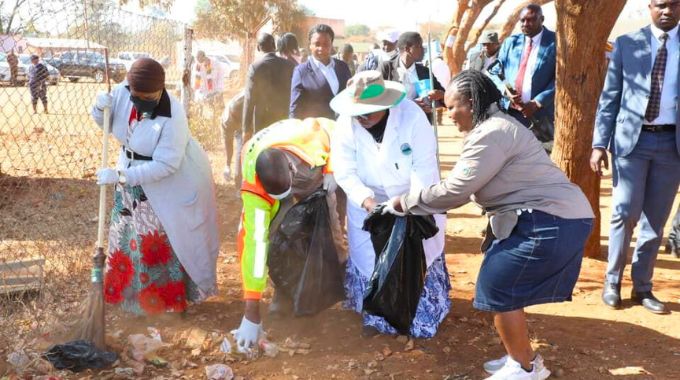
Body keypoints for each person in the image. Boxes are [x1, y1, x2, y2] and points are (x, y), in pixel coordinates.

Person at [384, 70, 594, 379]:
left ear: (471, 103)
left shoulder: (492, 133)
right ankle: (521, 359)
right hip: (549, 217)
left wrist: (405, 202)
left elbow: (456, 191)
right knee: (505, 287)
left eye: (453, 106)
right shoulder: (494, 127)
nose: (448, 112)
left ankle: (524, 368)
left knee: (498, 286)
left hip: (550, 219)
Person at [91, 58, 219, 316]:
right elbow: (106, 123)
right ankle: (129, 299)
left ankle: (164, 305)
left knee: (155, 239)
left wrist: (121, 177)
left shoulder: (173, 115)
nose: (142, 102)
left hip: (168, 181)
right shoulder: (121, 93)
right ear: (129, 86)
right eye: (138, 96)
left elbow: (166, 166)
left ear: (161, 88)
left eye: (150, 97)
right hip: (128, 173)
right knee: (129, 236)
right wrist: (98, 107)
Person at [330, 70, 449, 338]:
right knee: (370, 259)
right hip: (367, 202)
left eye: (369, 112)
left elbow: (424, 168)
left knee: (413, 260)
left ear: (385, 105)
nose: (363, 117)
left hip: (413, 199)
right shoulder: (346, 124)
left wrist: (406, 204)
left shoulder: (413, 118)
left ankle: (416, 312)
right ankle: (375, 316)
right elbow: (344, 171)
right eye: (358, 111)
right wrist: (369, 202)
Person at [591, 0, 680, 315]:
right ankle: (612, 281)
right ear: (650, 7)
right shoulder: (628, 44)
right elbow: (610, 96)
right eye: (661, 5)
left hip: (672, 145)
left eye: (673, 5)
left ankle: (642, 287)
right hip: (632, 142)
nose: (666, 11)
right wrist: (599, 143)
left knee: (655, 221)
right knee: (625, 212)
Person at [231, 117, 341, 351]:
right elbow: (255, 244)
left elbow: (335, 130)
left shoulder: (309, 139)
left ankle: (333, 288)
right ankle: (287, 290)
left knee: (330, 236)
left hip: (313, 176)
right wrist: (252, 311)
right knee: (275, 243)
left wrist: (331, 168)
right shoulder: (254, 186)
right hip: (273, 194)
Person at [490, 4, 555, 130]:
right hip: (510, 111)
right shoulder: (511, 42)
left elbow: (561, 78)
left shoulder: (556, 42)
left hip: (540, 115)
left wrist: (537, 102)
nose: (525, 24)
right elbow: (495, 71)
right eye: (522, 20)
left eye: (531, 19)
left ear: (542, 19)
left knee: (540, 149)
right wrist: (505, 89)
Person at [379, 31, 445, 123]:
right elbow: (379, 98)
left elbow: (444, 98)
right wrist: (410, 105)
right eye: (419, 46)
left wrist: (440, 95)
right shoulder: (386, 68)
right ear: (407, 49)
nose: (423, 50)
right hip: (393, 123)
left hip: (419, 124)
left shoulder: (425, 72)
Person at [290, 24, 352, 119]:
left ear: (331, 45)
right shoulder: (301, 71)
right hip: (316, 130)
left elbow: (350, 96)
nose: (321, 48)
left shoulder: (342, 67)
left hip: (343, 128)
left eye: (326, 44)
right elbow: (295, 109)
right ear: (310, 45)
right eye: (317, 44)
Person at [243, 33, 296, 140]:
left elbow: (249, 98)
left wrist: (246, 128)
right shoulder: (289, 65)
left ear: (258, 47)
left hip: (262, 121)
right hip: (284, 119)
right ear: (275, 46)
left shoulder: (255, 67)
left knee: (264, 153)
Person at [193, 50, 225, 125]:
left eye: (199, 58)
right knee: (200, 110)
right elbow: (196, 82)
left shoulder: (215, 63)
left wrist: (218, 90)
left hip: (215, 91)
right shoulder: (196, 66)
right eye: (196, 58)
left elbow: (221, 76)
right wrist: (199, 94)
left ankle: (218, 123)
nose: (197, 60)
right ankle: (200, 123)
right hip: (203, 93)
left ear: (204, 56)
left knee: (219, 111)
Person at [220, 91, 244, 184]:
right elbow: (228, 142)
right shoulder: (228, 121)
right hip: (234, 119)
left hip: (242, 116)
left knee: (241, 147)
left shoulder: (248, 94)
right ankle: (237, 179)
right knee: (239, 148)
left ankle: (239, 178)